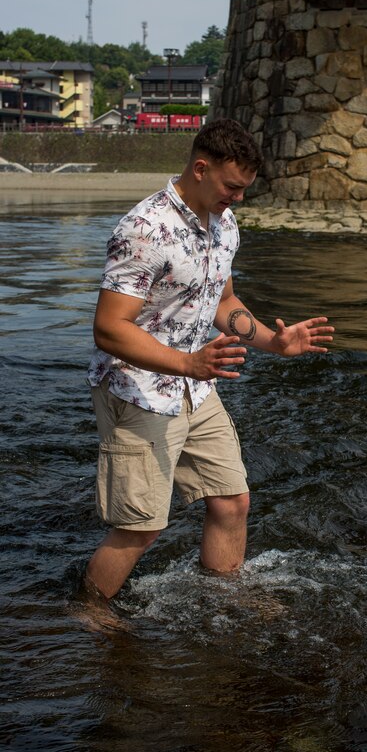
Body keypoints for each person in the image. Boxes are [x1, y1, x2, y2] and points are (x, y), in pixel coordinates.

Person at [85, 118, 334, 601]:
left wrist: (274, 342)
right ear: (201, 168)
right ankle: (86, 616)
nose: (238, 198)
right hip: (138, 392)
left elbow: (223, 303)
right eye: (232, 187)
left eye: (244, 189)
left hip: (196, 387)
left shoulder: (223, 222)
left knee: (231, 500)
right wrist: (186, 363)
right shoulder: (144, 228)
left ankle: (221, 601)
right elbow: (109, 328)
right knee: (140, 528)